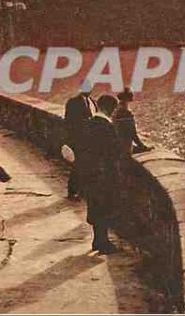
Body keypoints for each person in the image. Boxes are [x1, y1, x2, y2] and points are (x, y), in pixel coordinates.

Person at [77, 94, 120, 254]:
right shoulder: (107, 127)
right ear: (111, 109)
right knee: (105, 207)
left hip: (90, 173)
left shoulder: (89, 123)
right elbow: (114, 153)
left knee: (95, 207)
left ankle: (98, 240)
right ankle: (102, 242)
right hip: (103, 175)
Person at [64, 87, 96, 200]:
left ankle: (82, 191)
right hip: (78, 139)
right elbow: (69, 121)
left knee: (87, 166)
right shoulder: (73, 102)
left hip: (90, 140)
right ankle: (72, 192)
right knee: (77, 166)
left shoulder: (92, 101)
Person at [113, 87, 152, 155]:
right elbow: (133, 135)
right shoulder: (126, 113)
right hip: (125, 149)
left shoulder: (115, 111)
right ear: (128, 97)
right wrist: (144, 147)